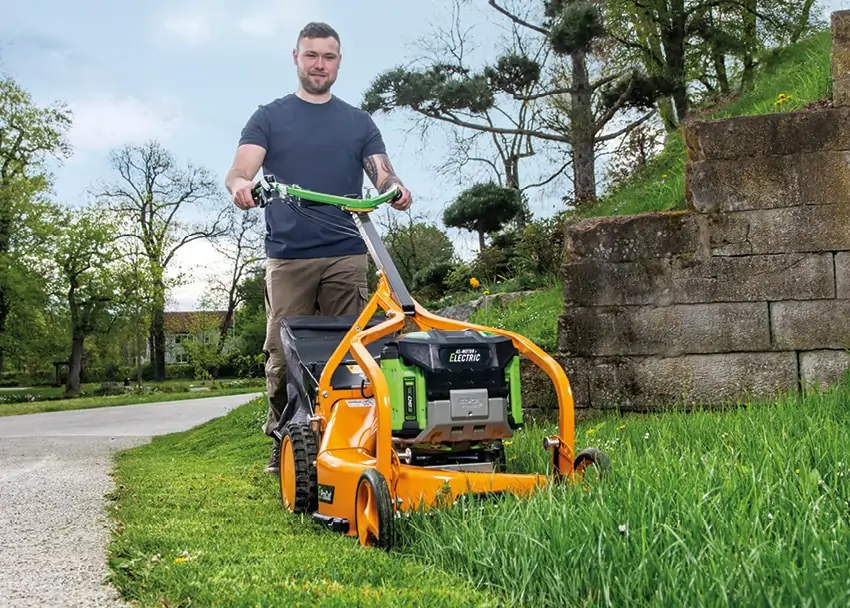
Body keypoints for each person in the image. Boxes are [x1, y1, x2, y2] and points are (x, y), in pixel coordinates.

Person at [225, 22, 413, 474]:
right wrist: (241, 186)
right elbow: (240, 169)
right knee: (282, 355)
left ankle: (346, 441)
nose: (319, 65)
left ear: (339, 63)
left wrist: (395, 188)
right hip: (288, 255)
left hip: (346, 250)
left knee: (351, 350)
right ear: (296, 57)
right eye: (311, 55)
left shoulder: (358, 122)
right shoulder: (269, 117)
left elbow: (382, 173)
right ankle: (284, 440)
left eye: (328, 57)